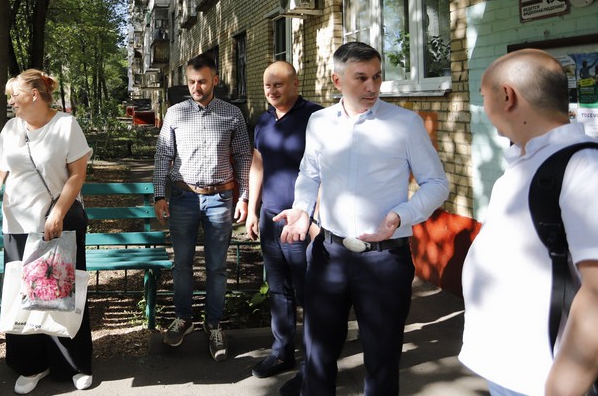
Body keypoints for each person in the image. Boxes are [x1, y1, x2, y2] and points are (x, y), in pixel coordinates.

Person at [459, 48, 598, 396]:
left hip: (545, 380)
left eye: (484, 97)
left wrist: (562, 386)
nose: (483, 108)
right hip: (514, 372)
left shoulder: (586, 166)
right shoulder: (530, 162)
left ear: (507, 96)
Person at [277, 41, 449, 396]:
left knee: (382, 359)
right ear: (338, 81)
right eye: (361, 78)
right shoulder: (319, 122)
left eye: (377, 77)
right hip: (329, 254)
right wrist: (301, 209)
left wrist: (401, 215)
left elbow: (436, 184)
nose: (372, 86)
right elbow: (309, 174)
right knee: (318, 353)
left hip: (385, 259)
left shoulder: (405, 123)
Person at [0, 69, 93, 394]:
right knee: (23, 295)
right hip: (17, 225)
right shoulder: (11, 129)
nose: (10, 101)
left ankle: (75, 365)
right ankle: (31, 365)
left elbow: (77, 175)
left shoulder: (65, 126)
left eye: (13, 94)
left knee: (63, 296)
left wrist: (57, 212)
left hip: (58, 224)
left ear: (34, 94)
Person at [153, 53, 252, 361]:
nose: (196, 87)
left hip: (220, 199)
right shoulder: (175, 113)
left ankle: (214, 323)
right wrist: (160, 195)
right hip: (183, 197)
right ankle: (184, 318)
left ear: (215, 81)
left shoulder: (232, 113)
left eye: (203, 81)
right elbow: (162, 156)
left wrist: (245, 196)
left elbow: (245, 158)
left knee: (216, 267)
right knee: (181, 263)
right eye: (192, 82)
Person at [246, 61, 322, 382]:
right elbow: (258, 166)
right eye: (267, 86)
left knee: (310, 294)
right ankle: (281, 352)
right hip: (270, 219)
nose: (272, 91)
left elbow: (327, 171)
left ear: (295, 83)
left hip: (304, 222)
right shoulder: (262, 122)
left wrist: (316, 220)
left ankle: (314, 363)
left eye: (278, 85)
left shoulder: (316, 118)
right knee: (278, 289)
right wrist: (252, 208)